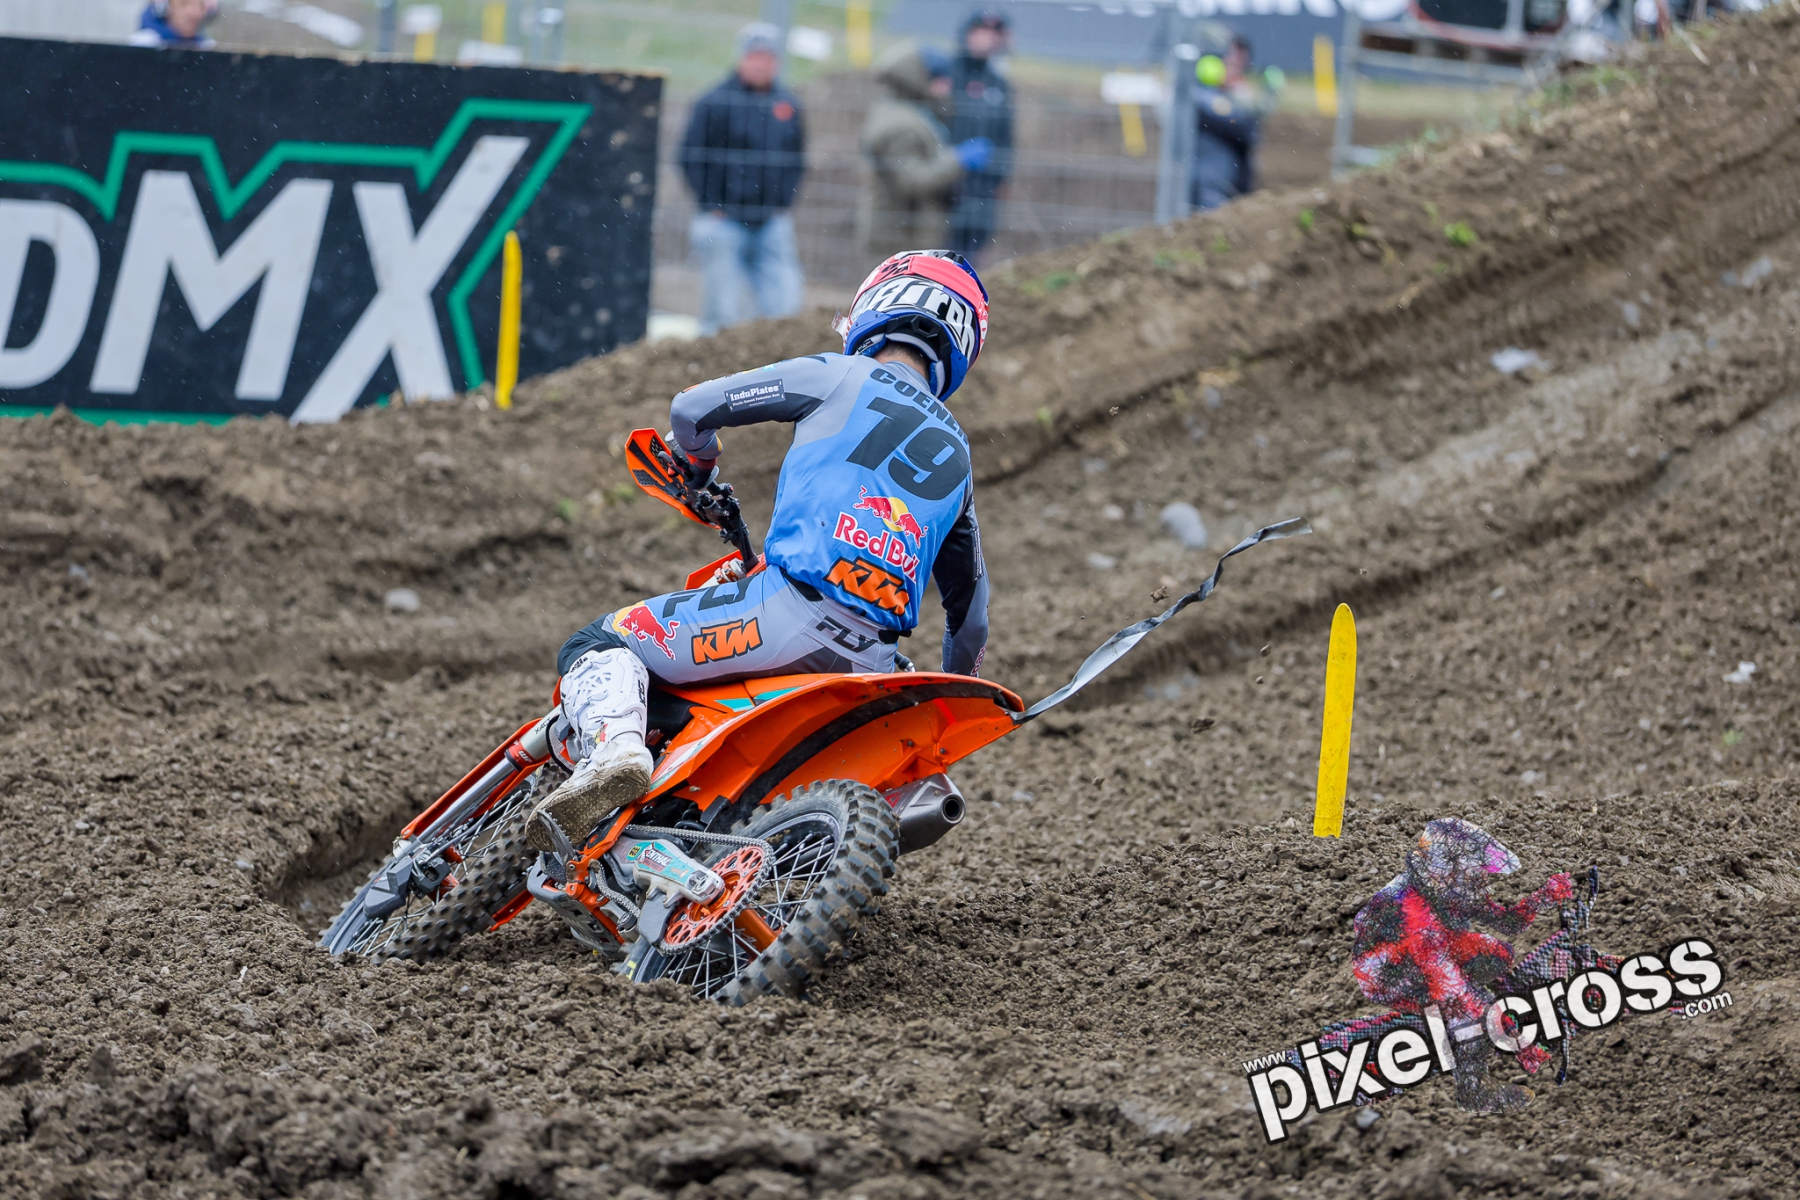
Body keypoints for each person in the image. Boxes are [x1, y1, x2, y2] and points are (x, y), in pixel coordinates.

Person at [528, 250, 992, 851]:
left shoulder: (837, 375)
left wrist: (697, 468)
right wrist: (943, 703)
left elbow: (692, 409)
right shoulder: (958, 454)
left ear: (876, 305)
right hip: (873, 666)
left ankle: (616, 752)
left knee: (598, 642)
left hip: (781, 614)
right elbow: (970, 619)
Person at [1350, 818, 1575, 1113]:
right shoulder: (1417, 920)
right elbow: (1455, 994)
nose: (1481, 880)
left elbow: (1508, 922)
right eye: (1474, 873)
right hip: (1390, 972)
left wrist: (1542, 898)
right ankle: (1473, 1091)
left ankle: (1500, 1009)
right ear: (1446, 871)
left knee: (1498, 955)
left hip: (1436, 943)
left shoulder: (1451, 889)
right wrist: (1520, 1043)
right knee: (1466, 1016)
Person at [678, 22, 808, 336]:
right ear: (742, 59)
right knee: (722, 308)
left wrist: (782, 202)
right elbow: (690, 156)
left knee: (783, 303)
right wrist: (711, 204)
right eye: (754, 56)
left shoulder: (788, 105)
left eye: (767, 57)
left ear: (776, 62)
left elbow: (796, 159)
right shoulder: (714, 101)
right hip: (722, 220)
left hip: (771, 219)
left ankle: (778, 355)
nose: (760, 64)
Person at [858, 43, 992, 262]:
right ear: (918, 78)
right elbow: (912, 180)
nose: (946, 86)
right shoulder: (899, 124)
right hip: (897, 239)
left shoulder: (911, 112)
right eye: (939, 79)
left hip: (907, 235)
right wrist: (958, 160)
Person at [947, 10, 1014, 263]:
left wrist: (1001, 177)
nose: (986, 40)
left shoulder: (999, 84)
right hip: (946, 183)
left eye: (993, 34)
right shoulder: (948, 75)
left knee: (971, 254)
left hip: (983, 188)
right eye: (980, 32)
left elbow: (1006, 136)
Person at [1189, 33, 1272, 211]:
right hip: (1210, 187)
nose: (1237, 70)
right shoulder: (1204, 98)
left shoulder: (1214, 97)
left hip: (1225, 185)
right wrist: (1248, 98)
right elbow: (1243, 127)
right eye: (1231, 64)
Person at [129, 0, 217, 47]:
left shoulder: (209, 48)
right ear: (164, 7)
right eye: (184, 3)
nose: (194, 12)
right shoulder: (140, 46)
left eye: (200, 5)